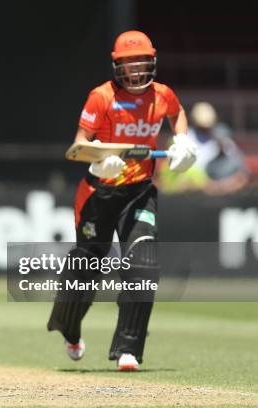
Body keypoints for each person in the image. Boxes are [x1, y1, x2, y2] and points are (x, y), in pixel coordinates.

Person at [46, 31, 197, 371]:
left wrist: (183, 140)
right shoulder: (101, 97)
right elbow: (78, 145)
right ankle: (69, 327)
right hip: (99, 193)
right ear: (117, 65)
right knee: (86, 268)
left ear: (152, 62)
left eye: (141, 62)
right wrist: (99, 162)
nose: (135, 71)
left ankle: (129, 348)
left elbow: (178, 114)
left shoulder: (163, 95)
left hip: (140, 191)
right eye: (128, 64)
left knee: (143, 264)